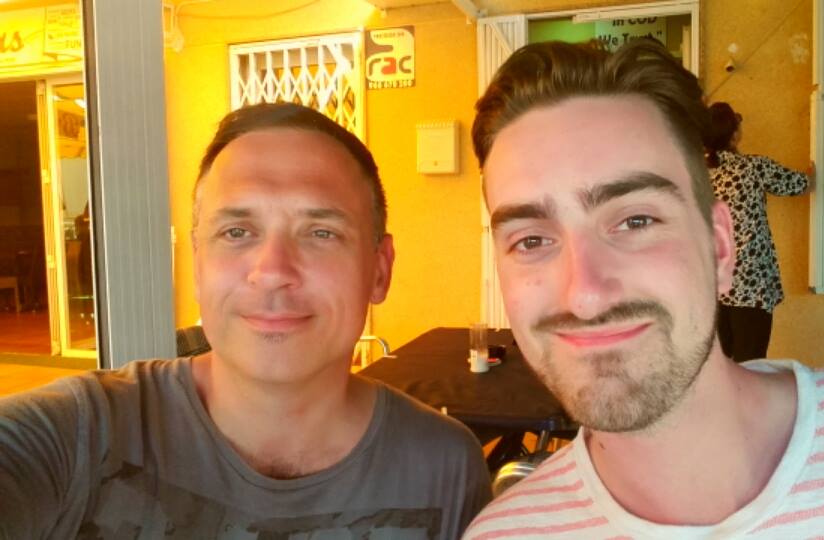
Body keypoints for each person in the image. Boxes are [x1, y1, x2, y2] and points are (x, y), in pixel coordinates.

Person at [464, 39, 824, 538]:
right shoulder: (503, 533)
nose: (586, 297)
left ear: (720, 247)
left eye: (636, 220)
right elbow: (798, 184)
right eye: (531, 240)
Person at [0, 102, 491, 538]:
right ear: (198, 265)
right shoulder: (78, 437)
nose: (272, 271)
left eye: (321, 232)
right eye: (237, 231)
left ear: (379, 271)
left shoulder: (445, 467)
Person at [705, 101, 811, 362]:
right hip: (750, 283)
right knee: (751, 361)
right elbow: (800, 184)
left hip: (713, 281)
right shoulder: (753, 167)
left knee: (721, 361)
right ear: (734, 135)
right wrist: (812, 171)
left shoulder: (699, 175)